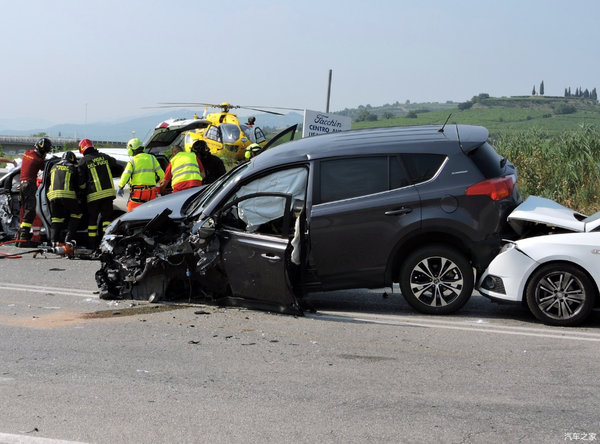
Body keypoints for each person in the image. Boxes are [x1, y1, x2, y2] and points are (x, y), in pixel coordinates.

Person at [77, 138, 118, 250]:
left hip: (93, 195)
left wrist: (80, 193)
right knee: (107, 219)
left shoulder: (83, 161)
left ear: (82, 149)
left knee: (92, 220)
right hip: (108, 194)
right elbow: (115, 164)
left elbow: (81, 183)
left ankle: (92, 244)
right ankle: (106, 242)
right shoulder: (105, 157)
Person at [17, 137, 52, 242]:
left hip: (22, 186)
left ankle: (19, 235)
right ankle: (24, 236)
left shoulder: (26, 153)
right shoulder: (38, 160)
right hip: (29, 185)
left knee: (25, 211)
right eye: (45, 152)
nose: (45, 155)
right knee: (30, 212)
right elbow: (44, 167)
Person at [118, 138, 165, 211]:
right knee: (150, 212)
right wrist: (153, 181)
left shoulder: (132, 161)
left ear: (131, 149)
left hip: (138, 193)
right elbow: (162, 175)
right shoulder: (152, 158)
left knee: (133, 212)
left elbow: (126, 175)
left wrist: (120, 187)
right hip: (151, 192)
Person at [47, 151, 82, 245]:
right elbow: (79, 185)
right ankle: (68, 239)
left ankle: (53, 241)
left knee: (56, 218)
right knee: (76, 214)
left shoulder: (53, 167)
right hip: (68, 195)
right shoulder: (72, 167)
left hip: (53, 196)